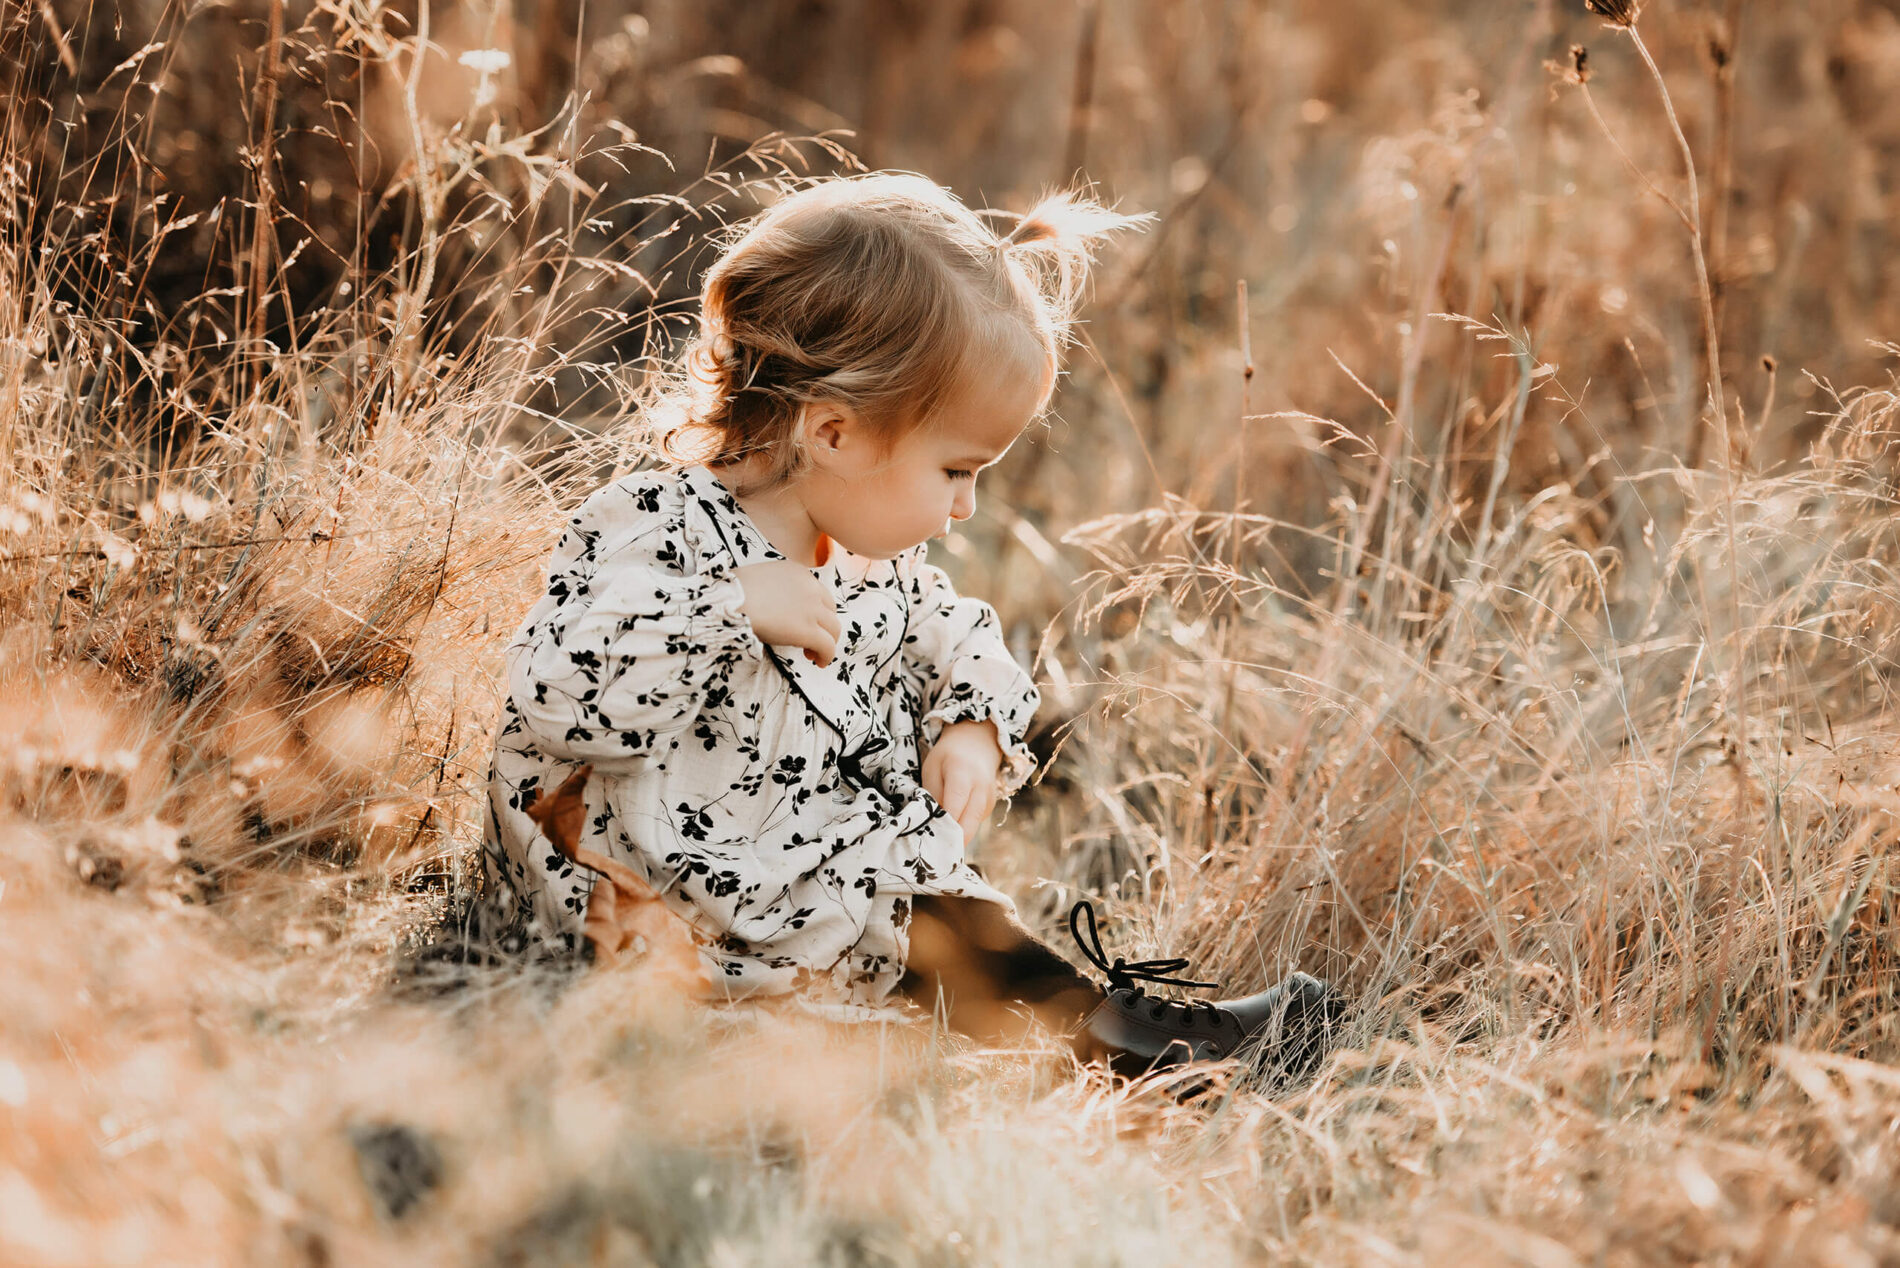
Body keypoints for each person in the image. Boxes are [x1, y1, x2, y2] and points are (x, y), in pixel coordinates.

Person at [479, 172, 1337, 1077]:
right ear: (836, 435)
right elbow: (555, 693)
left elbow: (957, 634)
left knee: (937, 922)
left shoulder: (862, 555)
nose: (966, 508)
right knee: (930, 930)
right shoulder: (655, 526)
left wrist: (971, 723)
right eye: (958, 471)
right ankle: (1122, 1041)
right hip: (651, 911)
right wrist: (729, 609)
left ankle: (1097, 1032)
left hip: (809, 892)